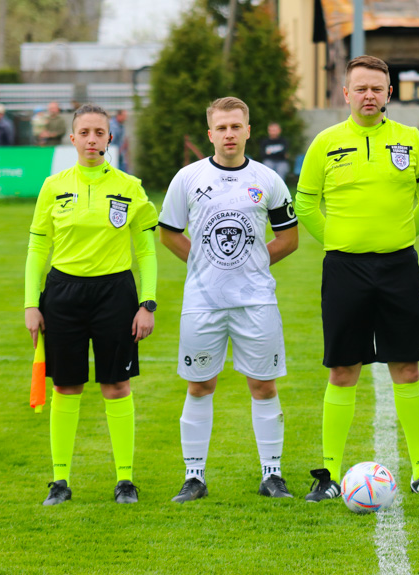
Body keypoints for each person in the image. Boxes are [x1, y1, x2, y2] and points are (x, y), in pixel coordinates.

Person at [295, 55, 419, 501]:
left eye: (376, 89)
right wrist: (338, 241)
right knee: (343, 369)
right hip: (344, 269)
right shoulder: (325, 142)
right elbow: (306, 205)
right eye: (360, 88)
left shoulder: (410, 139)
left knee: (407, 366)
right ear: (345, 93)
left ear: (388, 94)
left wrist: (398, 238)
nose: (368, 96)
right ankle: (327, 474)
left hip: (399, 266)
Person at [159, 97, 299, 502]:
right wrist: (206, 262)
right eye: (221, 128)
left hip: (256, 301)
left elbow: (289, 238)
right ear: (210, 134)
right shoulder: (187, 178)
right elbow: (168, 232)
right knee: (200, 385)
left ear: (248, 130)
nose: (229, 134)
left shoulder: (268, 179)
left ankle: (272, 475)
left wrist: (248, 263)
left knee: (263, 385)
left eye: (236, 126)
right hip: (203, 301)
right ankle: (194, 477)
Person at [24, 103, 158, 506]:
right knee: (67, 385)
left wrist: (146, 303)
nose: (92, 140)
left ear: (109, 138)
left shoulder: (129, 186)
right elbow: (37, 246)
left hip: (115, 294)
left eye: (99, 133)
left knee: (117, 385)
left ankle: (125, 481)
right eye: (84, 133)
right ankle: (60, 482)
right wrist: (32, 303)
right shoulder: (53, 186)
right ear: (72, 139)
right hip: (63, 293)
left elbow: (147, 252)